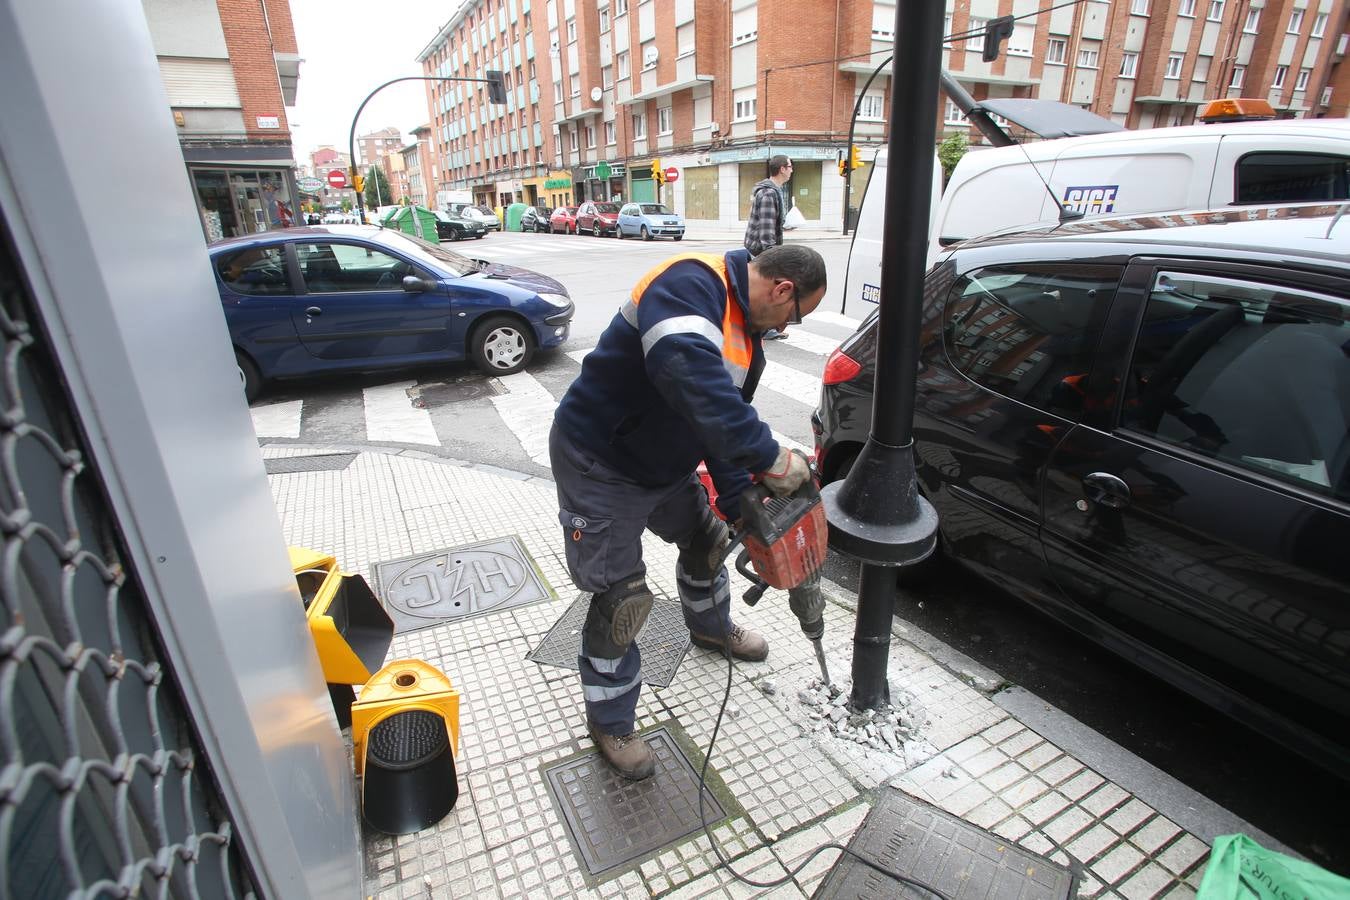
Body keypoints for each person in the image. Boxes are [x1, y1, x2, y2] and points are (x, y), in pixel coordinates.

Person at [550, 244, 827, 780]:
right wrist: (771, 457)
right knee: (622, 598)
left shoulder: (746, 335)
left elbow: (720, 424)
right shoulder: (691, 283)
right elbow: (686, 374)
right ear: (783, 290)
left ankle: (712, 628)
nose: (788, 328)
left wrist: (739, 505)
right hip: (602, 462)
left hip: (665, 463)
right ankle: (612, 720)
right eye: (796, 317)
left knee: (708, 542)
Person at [743, 155, 795, 339]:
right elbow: (765, 231)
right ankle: (764, 328)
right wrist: (773, 257)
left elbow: (769, 223)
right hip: (761, 251)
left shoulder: (772, 191)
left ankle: (765, 327)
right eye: (790, 166)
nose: (791, 169)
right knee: (768, 291)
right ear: (782, 168)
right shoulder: (769, 193)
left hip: (760, 249)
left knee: (765, 290)